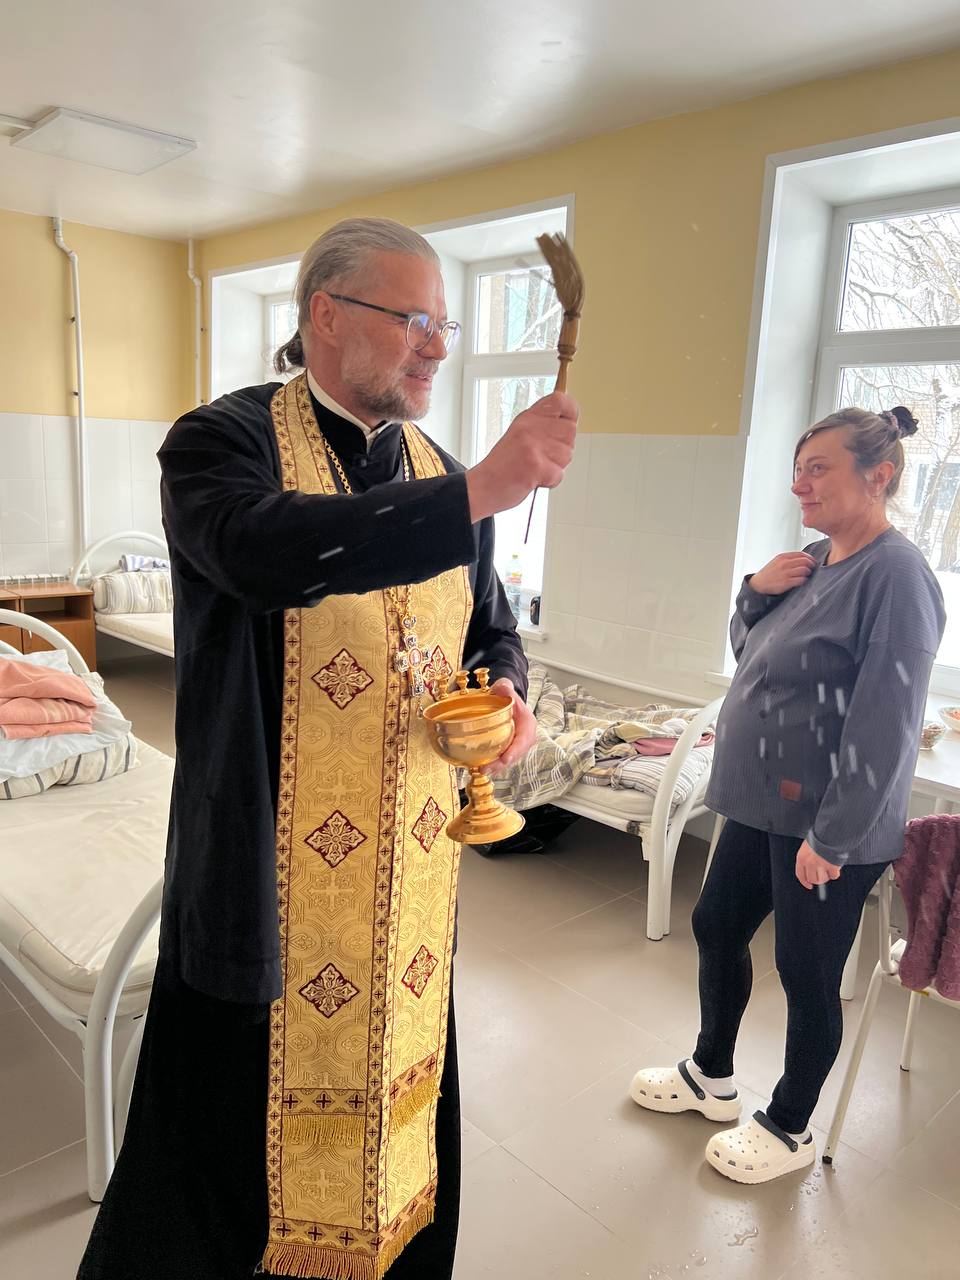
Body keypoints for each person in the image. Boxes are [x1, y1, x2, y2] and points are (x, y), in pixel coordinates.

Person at [77, 217, 578, 1279]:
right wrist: (477, 492)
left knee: (399, 1121)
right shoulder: (219, 443)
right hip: (260, 876)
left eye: (443, 325)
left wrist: (507, 692)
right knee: (222, 1161)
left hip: (407, 883)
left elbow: (489, 627)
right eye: (413, 320)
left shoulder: (443, 471)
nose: (436, 345)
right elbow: (262, 552)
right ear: (325, 315)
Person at [630, 405, 946, 1184]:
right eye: (797, 470)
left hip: (829, 823)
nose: (799, 484)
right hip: (762, 801)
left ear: (879, 476)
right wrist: (752, 593)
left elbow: (887, 724)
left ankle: (790, 1125)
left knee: (806, 973)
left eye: (818, 469)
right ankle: (711, 1076)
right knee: (715, 926)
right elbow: (754, 656)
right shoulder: (812, 560)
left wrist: (834, 837)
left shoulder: (897, 578)